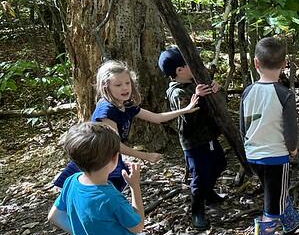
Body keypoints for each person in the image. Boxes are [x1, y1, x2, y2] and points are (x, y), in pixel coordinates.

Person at [53, 60, 200, 192]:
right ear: (106, 87)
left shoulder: (126, 105)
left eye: (127, 83)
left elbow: (157, 118)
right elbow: (115, 144)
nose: (125, 88)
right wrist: (145, 156)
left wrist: (185, 110)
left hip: (107, 157)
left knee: (107, 192)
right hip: (93, 159)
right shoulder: (107, 110)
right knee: (82, 191)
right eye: (118, 85)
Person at [240, 37, 299, 235]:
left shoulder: (248, 92)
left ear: (256, 63)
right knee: (272, 202)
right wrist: (293, 149)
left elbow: (243, 125)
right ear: (285, 64)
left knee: (275, 190)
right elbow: (291, 129)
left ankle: (289, 219)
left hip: (253, 154)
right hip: (275, 156)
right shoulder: (285, 94)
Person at [158, 47, 226, 231]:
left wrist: (215, 90)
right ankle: (197, 210)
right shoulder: (176, 92)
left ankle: (208, 192)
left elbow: (218, 102)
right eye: (188, 64)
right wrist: (199, 97)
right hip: (194, 143)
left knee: (219, 164)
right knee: (200, 176)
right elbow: (189, 116)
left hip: (209, 136)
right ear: (179, 70)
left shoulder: (194, 82)